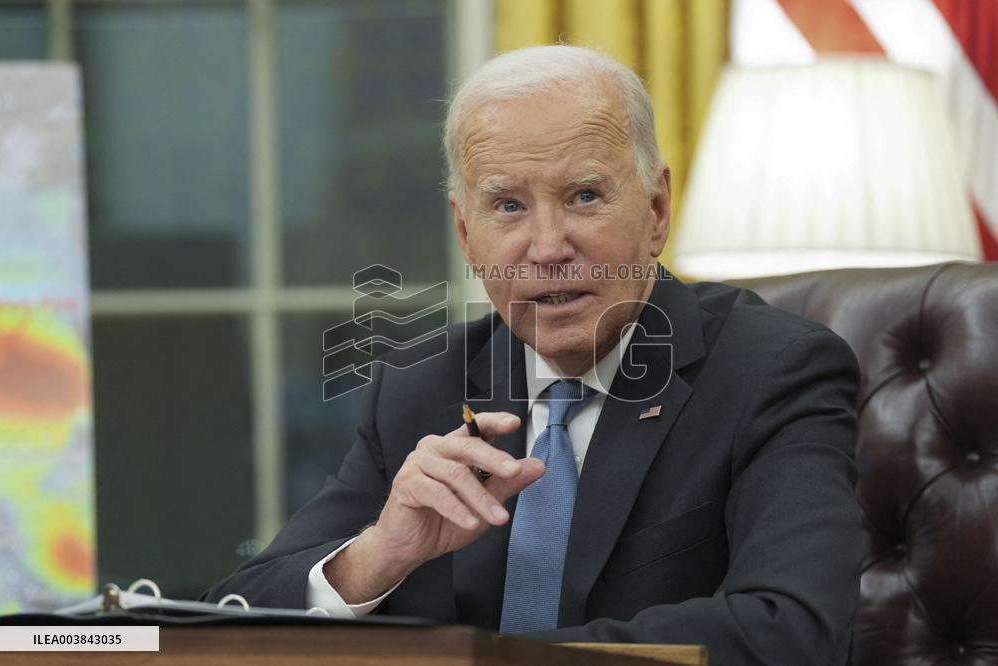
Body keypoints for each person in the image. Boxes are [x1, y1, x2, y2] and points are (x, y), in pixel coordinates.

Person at [204, 45, 862, 665]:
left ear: (656, 210)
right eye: (508, 206)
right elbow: (231, 615)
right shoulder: (418, 390)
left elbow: (794, 628)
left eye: (584, 196)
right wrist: (377, 556)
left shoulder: (771, 370)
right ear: (466, 233)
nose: (547, 247)